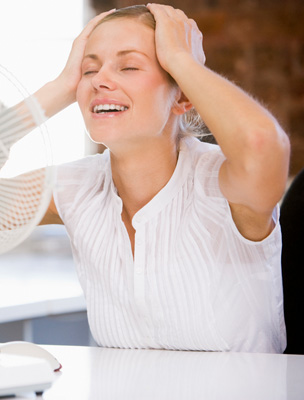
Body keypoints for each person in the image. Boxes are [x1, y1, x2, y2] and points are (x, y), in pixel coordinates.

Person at [33, 4, 290, 353]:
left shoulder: (223, 184)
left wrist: (181, 60)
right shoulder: (75, 188)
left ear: (182, 94)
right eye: (89, 69)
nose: (99, 81)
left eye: (129, 66)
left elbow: (260, 143)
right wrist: (59, 87)